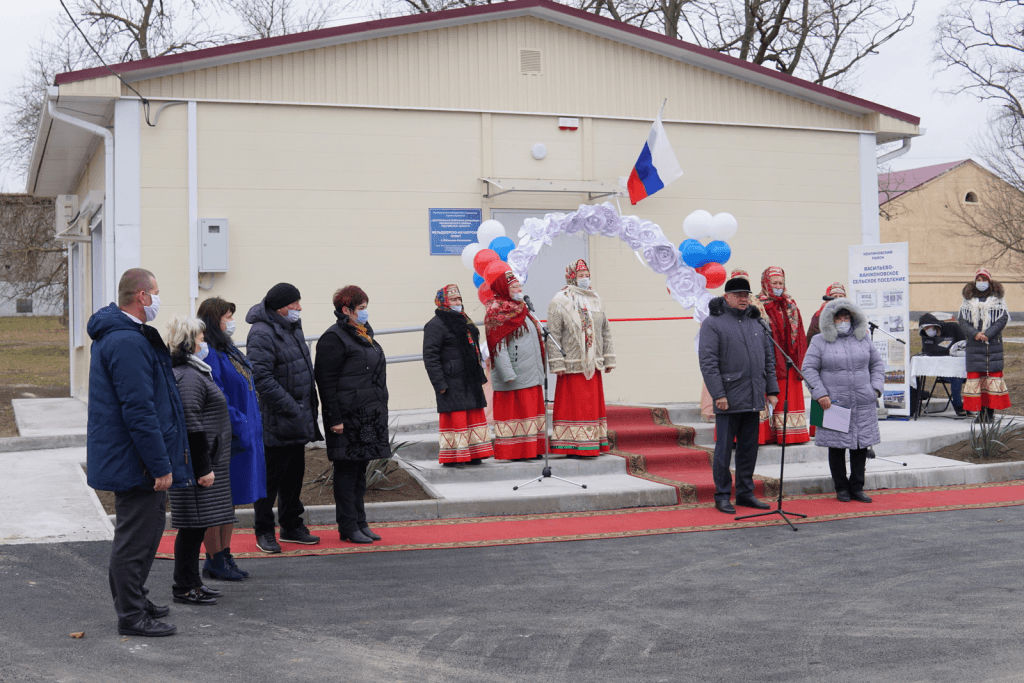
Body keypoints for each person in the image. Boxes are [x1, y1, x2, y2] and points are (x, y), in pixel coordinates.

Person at [86, 268, 191, 637]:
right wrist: (160, 464)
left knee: (146, 533)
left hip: (134, 457)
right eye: (157, 292)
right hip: (136, 460)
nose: (159, 299)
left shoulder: (129, 336)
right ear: (142, 296)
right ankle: (131, 616)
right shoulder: (127, 342)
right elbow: (139, 409)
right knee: (135, 539)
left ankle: (136, 600)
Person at [246, 283, 322, 554]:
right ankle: (264, 530)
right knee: (270, 480)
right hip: (277, 420)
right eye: (295, 304)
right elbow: (261, 379)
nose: (299, 308)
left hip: (298, 418)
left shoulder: (292, 327)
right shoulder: (261, 333)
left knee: (294, 475)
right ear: (280, 307)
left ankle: (291, 525)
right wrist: (293, 407)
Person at [167, 316, 236, 604]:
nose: (204, 342)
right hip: (198, 464)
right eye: (200, 338)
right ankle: (184, 586)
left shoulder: (195, 371)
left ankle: (193, 582)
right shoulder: (189, 377)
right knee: (192, 527)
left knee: (197, 527)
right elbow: (192, 424)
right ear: (188, 342)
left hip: (206, 459)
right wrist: (203, 467)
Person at [197, 297, 267, 579]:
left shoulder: (229, 349)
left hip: (245, 434)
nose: (231, 321)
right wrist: (243, 424)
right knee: (218, 502)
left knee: (231, 501)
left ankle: (226, 554)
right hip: (228, 436)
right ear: (215, 320)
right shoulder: (210, 353)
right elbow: (218, 397)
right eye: (227, 316)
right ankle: (214, 558)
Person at [315, 286, 391, 544]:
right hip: (346, 418)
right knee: (346, 472)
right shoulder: (333, 338)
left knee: (360, 471)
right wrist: (334, 418)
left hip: (367, 416)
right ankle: (347, 525)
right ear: (345, 310)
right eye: (361, 308)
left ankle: (360, 521)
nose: (365, 313)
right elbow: (325, 382)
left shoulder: (364, 333)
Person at [698, 272, 779, 514]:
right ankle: (722, 495)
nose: (744, 299)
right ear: (727, 297)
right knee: (724, 450)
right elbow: (708, 363)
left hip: (754, 396)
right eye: (738, 295)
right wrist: (718, 395)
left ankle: (745, 493)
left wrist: (772, 390)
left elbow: (768, 359)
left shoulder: (756, 322)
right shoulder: (713, 323)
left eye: (746, 295)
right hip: (728, 398)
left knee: (749, 449)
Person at [801, 299, 884, 503]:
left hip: (863, 400)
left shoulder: (864, 339)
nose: (843, 321)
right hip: (832, 402)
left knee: (860, 446)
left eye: (847, 317)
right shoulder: (819, 341)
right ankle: (841, 487)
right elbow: (808, 369)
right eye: (839, 317)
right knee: (836, 447)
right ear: (830, 320)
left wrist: (875, 389)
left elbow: (877, 365)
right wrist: (820, 394)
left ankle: (857, 487)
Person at [546, 259, 616, 458]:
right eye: (580, 276)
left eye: (587, 275)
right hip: (571, 365)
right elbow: (553, 335)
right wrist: (557, 362)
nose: (585, 279)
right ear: (571, 278)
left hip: (592, 364)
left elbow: (605, 331)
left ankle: (592, 443)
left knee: (591, 406)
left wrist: (608, 358)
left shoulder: (595, 298)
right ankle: (573, 445)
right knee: (575, 406)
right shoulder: (560, 300)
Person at [422, 284, 493, 467]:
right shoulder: (435, 325)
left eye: (459, 299)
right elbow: (430, 357)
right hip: (451, 380)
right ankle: (456, 456)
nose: (457, 302)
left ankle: (475, 453)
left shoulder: (464, 320)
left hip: (470, 378)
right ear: (443, 302)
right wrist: (439, 383)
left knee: (473, 415)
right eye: (453, 299)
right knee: (458, 416)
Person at [485, 271, 547, 460]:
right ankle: (515, 452)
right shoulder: (496, 311)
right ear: (504, 289)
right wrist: (507, 373)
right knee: (517, 413)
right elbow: (498, 346)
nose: (519, 290)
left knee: (530, 414)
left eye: (520, 286)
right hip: (514, 374)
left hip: (531, 372)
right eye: (514, 287)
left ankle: (532, 450)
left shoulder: (522, 309)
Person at [758, 266, 811, 444]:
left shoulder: (790, 304)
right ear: (766, 283)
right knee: (775, 397)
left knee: (791, 396)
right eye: (774, 283)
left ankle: (794, 434)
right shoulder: (759, 305)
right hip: (771, 360)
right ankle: (775, 434)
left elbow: (801, 334)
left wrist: (800, 361)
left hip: (790, 360)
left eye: (781, 283)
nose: (778, 286)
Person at [958, 267, 1012, 422]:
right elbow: (962, 320)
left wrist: (987, 334)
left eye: (984, 280)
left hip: (992, 346)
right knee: (978, 382)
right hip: (975, 346)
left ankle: (990, 414)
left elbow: (1003, 318)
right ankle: (980, 414)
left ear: (990, 281)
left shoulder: (998, 299)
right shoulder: (967, 300)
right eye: (979, 280)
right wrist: (975, 334)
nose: (981, 283)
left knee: (991, 382)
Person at [918, 312, 968, 417]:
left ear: (935, 325)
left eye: (929, 327)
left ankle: (967, 406)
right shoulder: (927, 337)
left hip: (959, 368)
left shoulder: (953, 327)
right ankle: (958, 406)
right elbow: (926, 351)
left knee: (957, 376)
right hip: (941, 369)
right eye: (925, 329)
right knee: (955, 378)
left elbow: (964, 345)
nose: (928, 331)